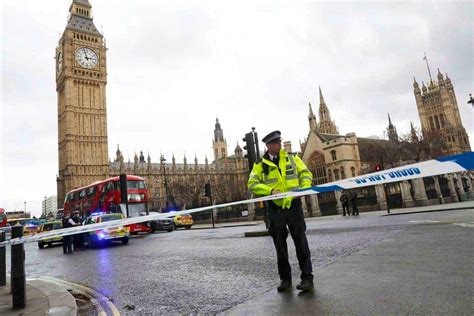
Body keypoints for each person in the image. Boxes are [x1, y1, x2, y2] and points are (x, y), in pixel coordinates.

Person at [247, 130, 314, 292]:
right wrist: (269, 191)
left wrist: (304, 189)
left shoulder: (293, 158)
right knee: (280, 246)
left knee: (301, 243)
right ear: (268, 146)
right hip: (275, 209)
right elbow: (252, 184)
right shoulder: (259, 165)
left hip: (293, 206)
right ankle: (285, 279)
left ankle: (307, 278)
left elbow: (306, 174)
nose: (279, 144)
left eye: (279, 141)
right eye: (276, 142)